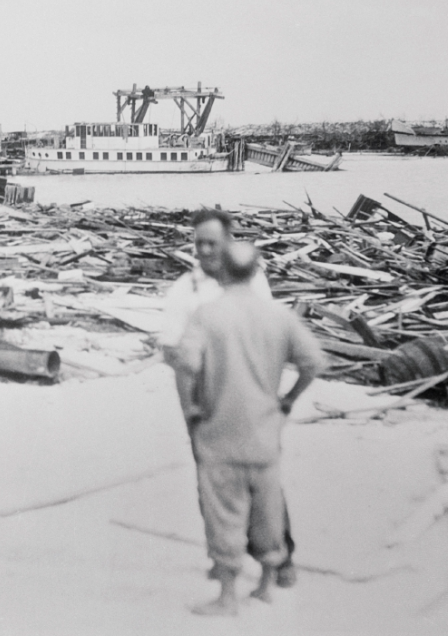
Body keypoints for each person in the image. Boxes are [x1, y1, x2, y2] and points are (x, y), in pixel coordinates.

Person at [175, 242, 324, 616]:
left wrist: (192, 408)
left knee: (224, 513)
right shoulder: (279, 316)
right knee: (267, 511)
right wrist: (288, 399)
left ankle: (227, 596)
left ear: (222, 271)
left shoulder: (207, 315)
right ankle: (265, 585)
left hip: (220, 432)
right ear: (257, 271)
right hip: (264, 431)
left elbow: (187, 366)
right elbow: (314, 362)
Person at [160, 208, 301, 588]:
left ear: (227, 242)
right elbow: (173, 353)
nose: (206, 250)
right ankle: (225, 562)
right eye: (200, 243)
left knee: (265, 485)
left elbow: (271, 337)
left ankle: (281, 558)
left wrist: (278, 397)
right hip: (208, 401)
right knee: (210, 485)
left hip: (253, 397)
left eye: (213, 242)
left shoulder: (254, 282)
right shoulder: (184, 290)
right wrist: (189, 408)